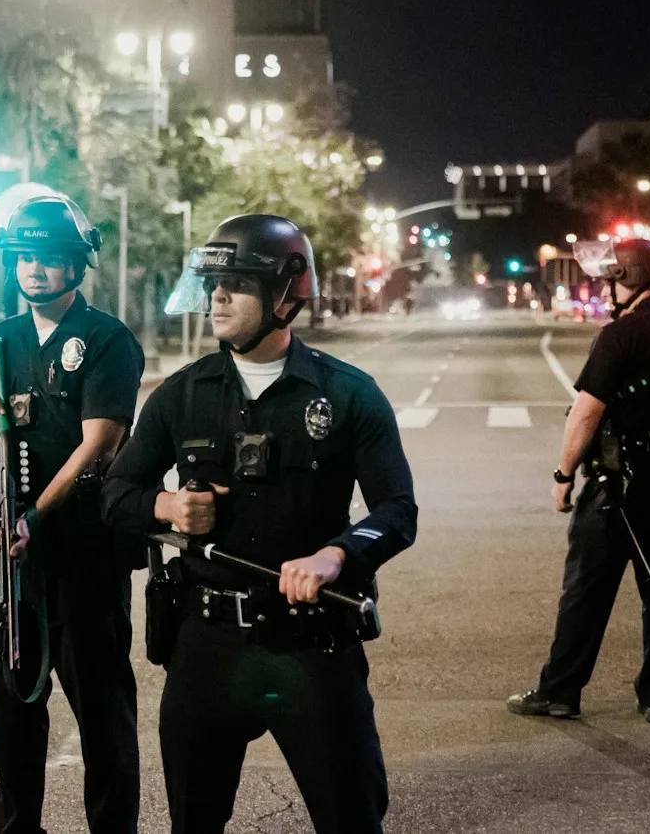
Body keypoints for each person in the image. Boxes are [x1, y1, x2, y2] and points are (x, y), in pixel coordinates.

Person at [102, 213, 417, 834]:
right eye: (213, 284)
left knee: (352, 817)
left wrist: (337, 555)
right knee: (194, 821)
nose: (218, 297)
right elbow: (115, 495)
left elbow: (397, 511)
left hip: (314, 644)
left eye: (238, 284)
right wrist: (167, 507)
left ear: (283, 296)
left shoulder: (348, 394)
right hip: (207, 643)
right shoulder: (181, 395)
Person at [0, 193, 145, 834]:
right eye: (23, 258)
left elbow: (101, 443)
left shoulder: (106, 339)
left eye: (49, 258)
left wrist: (35, 515)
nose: (34, 270)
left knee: (103, 715)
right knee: (12, 715)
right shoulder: (2, 340)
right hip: (11, 557)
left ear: (76, 264)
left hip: (82, 551)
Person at [507, 237, 650, 723]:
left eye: (610, 280)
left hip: (616, 482)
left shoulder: (620, 335)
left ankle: (560, 690)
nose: (605, 290)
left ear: (628, 278)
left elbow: (586, 412)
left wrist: (564, 474)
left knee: (587, 588)